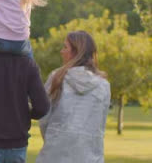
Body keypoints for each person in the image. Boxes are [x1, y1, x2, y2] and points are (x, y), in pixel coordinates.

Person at [36, 31, 110, 163]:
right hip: (89, 157)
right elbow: (99, 128)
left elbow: (44, 118)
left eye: (65, 47)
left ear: (76, 52)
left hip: (54, 155)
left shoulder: (57, 78)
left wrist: (55, 139)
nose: (61, 51)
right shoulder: (103, 86)